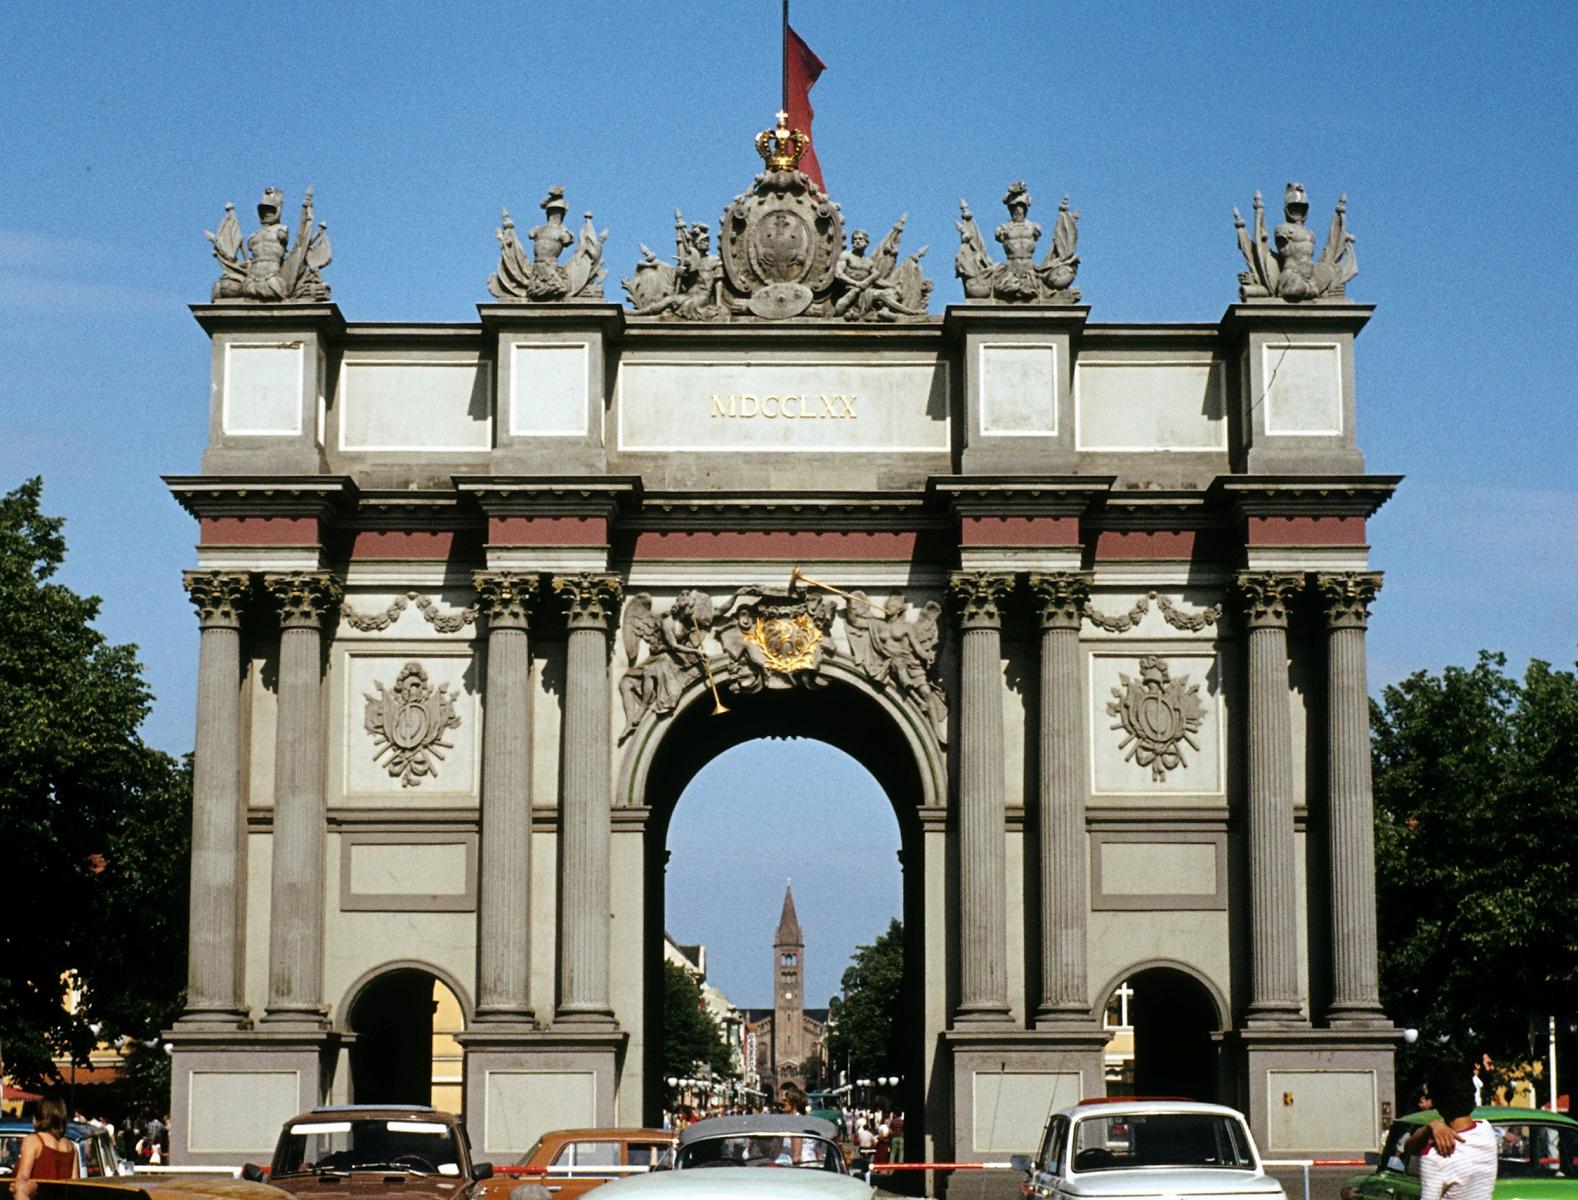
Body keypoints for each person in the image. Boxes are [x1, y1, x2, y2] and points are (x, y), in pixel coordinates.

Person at [1406, 1071, 1497, 1200]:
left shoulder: (1435, 1157)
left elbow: (1408, 1148)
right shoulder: (1486, 1130)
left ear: (1437, 1102)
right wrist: (1431, 1127)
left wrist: (1429, 1128)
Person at [13, 1095, 79, 1200]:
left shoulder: (33, 1141)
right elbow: (75, 1185)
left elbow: (22, 1180)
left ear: (37, 1117)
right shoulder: (70, 1147)